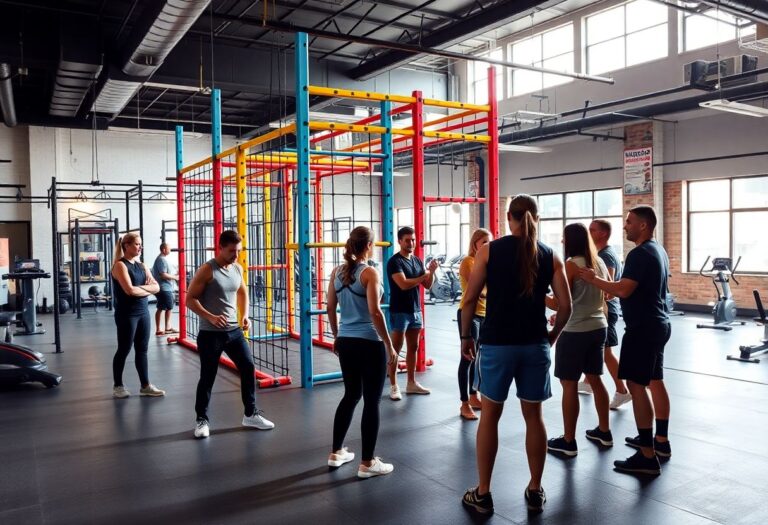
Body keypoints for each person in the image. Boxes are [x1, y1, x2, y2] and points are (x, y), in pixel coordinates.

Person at [460, 195, 572, 515]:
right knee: (534, 417)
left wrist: (466, 336)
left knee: (490, 418)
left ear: (509, 216)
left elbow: (469, 301)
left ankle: (483, 494)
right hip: (534, 344)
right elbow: (566, 307)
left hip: (497, 344)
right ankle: (535, 490)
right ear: (536, 217)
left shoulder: (489, 250)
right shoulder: (550, 255)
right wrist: (552, 336)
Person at [579, 206, 671, 475]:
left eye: (629, 222)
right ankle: (660, 442)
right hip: (659, 323)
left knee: (636, 385)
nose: (625, 226)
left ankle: (647, 455)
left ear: (643, 225)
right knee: (655, 380)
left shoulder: (639, 254)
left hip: (643, 328)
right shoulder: (659, 250)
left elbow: (622, 290)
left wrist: (593, 279)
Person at [187, 230, 274, 438]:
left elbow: (243, 292)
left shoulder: (237, 268)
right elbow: (190, 300)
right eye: (232, 251)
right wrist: (210, 316)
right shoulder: (207, 270)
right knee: (208, 376)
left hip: (234, 331)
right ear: (221, 247)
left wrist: (245, 315)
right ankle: (202, 420)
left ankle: (250, 414)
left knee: (248, 367)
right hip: (210, 334)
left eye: (238, 251)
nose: (236, 255)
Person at [326, 226, 397, 478]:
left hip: (346, 341)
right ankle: (367, 462)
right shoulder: (369, 273)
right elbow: (375, 312)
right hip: (369, 342)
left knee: (351, 394)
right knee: (372, 401)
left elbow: (330, 308)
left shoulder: (336, 272)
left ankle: (336, 452)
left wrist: (336, 337)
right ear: (369, 246)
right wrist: (388, 344)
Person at [546, 223, 611, 457]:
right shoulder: (600, 263)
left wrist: (538, 294)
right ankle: (604, 431)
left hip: (575, 332)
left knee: (569, 383)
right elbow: (609, 292)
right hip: (598, 327)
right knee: (595, 379)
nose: (562, 242)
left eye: (564, 238)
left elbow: (558, 302)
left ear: (571, 241)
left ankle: (568, 441)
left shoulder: (572, 265)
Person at [576, 220, 632, 410]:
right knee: (598, 351)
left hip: (607, 311)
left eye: (592, 230)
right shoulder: (599, 254)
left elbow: (606, 289)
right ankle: (588, 381)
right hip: (602, 310)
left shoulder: (606, 256)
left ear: (603, 234)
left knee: (606, 353)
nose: (589, 233)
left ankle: (622, 390)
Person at [385, 226, 439, 400]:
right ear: (400, 241)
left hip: (416, 310)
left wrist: (432, 271)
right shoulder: (395, 262)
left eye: (413, 240)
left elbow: (428, 285)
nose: (411, 243)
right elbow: (403, 284)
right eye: (407, 240)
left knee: (413, 347)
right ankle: (393, 385)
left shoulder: (416, 260)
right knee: (396, 348)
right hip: (399, 311)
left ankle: (411, 383)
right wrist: (424, 276)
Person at [110, 233, 165, 398]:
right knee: (124, 349)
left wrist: (141, 288)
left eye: (141, 244)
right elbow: (129, 290)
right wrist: (146, 288)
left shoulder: (142, 266)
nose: (140, 247)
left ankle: (145, 386)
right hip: (127, 314)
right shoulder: (120, 266)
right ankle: (118, 386)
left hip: (143, 312)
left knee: (142, 350)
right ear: (126, 245)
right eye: (137, 244)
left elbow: (157, 288)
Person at [456, 228, 492, 420]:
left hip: (485, 313)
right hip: (469, 313)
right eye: (484, 242)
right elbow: (476, 289)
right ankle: (464, 403)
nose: (487, 245)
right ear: (475, 244)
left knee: (478, 359)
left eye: (489, 242)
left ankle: (473, 396)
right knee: (467, 358)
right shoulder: (469, 262)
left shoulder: (487, 263)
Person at [152, 243, 179, 336]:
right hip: (163, 288)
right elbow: (163, 275)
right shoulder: (161, 260)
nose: (170, 250)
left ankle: (167, 327)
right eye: (169, 249)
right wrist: (176, 278)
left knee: (169, 307)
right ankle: (158, 329)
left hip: (167, 287)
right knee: (161, 308)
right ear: (164, 250)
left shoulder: (163, 259)